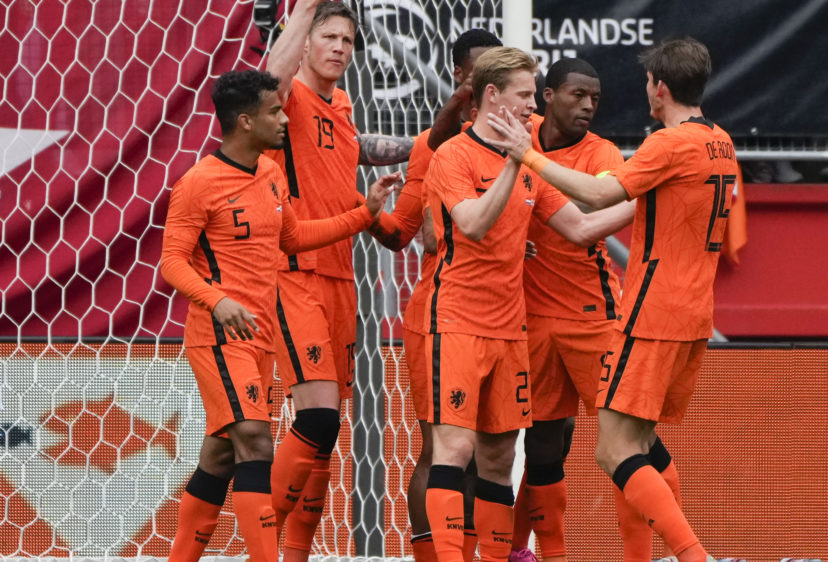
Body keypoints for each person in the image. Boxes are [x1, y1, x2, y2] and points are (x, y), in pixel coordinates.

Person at [486, 37, 738, 562]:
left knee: (613, 449)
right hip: (691, 312)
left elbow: (599, 197)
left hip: (650, 312)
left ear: (658, 87)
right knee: (638, 444)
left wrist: (525, 155)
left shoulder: (666, 145)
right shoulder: (721, 142)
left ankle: (694, 557)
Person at [160, 69, 400, 562]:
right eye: (275, 112)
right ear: (245, 122)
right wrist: (217, 300)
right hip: (218, 335)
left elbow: (293, 238)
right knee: (255, 442)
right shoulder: (198, 183)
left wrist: (366, 213)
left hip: (261, 336)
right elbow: (172, 262)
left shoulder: (271, 176)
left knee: (220, 455)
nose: (285, 119)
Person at [423, 46, 635, 562]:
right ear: (492, 95)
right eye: (523, 96)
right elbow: (473, 225)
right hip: (455, 320)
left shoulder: (531, 165)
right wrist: (516, 163)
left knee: (499, 457)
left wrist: (650, 195)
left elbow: (581, 228)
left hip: (511, 327)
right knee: (455, 449)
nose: (531, 109)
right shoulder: (454, 155)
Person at [260, 2, 413, 561]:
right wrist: (304, 9)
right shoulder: (286, 98)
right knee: (318, 417)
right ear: (304, 40)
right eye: (329, 36)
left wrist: (425, 150)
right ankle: (260, 547)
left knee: (326, 436)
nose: (340, 48)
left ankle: (295, 555)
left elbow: (346, 165)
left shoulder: (342, 105)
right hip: (295, 273)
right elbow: (269, 81)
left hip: (341, 277)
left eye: (348, 40)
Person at [369, 28, 502, 562]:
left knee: (497, 453)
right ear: (459, 76)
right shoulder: (436, 146)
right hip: (444, 313)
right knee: (444, 448)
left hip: (506, 316)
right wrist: (365, 214)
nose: (489, 85)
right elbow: (403, 232)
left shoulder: (522, 139)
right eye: (479, 73)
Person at [506, 57, 634, 562]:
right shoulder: (519, 131)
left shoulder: (602, 152)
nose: (587, 106)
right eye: (577, 95)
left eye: (595, 99)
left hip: (592, 313)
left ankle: (662, 553)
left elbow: (598, 206)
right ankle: (530, 553)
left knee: (628, 439)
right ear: (547, 95)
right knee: (542, 443)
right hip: (531, 317)